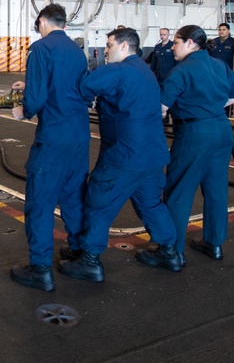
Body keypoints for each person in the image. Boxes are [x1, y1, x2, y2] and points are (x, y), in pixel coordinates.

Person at [56, 28, 182, 283]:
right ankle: (170, 252)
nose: (106, 50)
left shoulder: (117, 71)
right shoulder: (146, 71)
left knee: (98, 203)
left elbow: (82, 85)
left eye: (110, 45)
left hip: (124, 155)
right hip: (153, 155)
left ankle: (89, 260)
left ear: (125, 47)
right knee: (151, 204)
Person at [9, 4, 89, 292]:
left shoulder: (41, 48)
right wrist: (29, 84)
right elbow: (70, 87)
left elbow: (39, 96)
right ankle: (79, 252)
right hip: (79, 136)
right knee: (73, 197)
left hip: (53, 137)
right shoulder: (77, 50)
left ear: (42, 21)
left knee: (40, 203)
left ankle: (40, 268)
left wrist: (24, 109)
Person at [161, 25, 234, 261]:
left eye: (176, 42)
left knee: (179, 189)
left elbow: (161, 108)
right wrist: (212, 106)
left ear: (189, 43)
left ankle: (171, 250)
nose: (172, 47)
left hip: (195, 132)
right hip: (221, 129)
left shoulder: (181, 71)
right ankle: (214, 243)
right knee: (216, 189)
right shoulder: (218, 64)